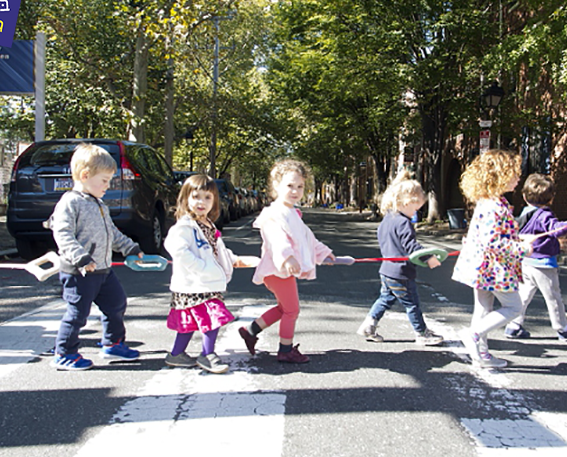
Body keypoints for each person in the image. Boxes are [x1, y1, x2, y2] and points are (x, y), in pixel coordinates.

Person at [49, 144, 143, 371]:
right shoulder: (70, 202)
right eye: (104, 180)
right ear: (85, 175)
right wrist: (80, 257)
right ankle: (65, 352)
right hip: (80, 272)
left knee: (116, 303)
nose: (108, 186)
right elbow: (62, 234)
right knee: (77, 314)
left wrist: (130, 248)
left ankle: (113, 343)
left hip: (103, 270)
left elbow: (111, 233)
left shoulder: (99, 204)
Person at [238, 159, 335, 364]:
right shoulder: (274, 214)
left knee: (284, 308)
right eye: (289, 185)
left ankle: (250, 331)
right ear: (276, 186)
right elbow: (276, 239)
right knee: (292, 310)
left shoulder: (292, 213)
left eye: (299, 186)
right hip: (277, 269)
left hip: (280, 270)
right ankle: (285, 349)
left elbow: (307, 239)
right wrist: (287, 258)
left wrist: (323, 253)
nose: (295, 191)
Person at [163, 174, 257, 374]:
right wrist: (201, 268)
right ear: (185, 198)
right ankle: (207, 354)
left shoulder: (208, 225)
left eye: (207, 197)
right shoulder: (184, 227)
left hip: (205, 283)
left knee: (189, 323)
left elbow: (216, 251)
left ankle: (176, 354)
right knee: (212, 317)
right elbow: (176, 249)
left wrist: (234, 260)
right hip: (194, 284)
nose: (201, 202)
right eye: (196, 196)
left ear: (214, 201)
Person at [453, 150, 532, 368]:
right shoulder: (494, 206)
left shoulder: (489, 202)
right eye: (514, 174)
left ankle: (482, 354)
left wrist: (518, 239)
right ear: (500, 176)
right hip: (493, 268)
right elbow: (493, 242)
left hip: (484, 267)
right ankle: (473, 335)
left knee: (483, 308)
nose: (518, 179)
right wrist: (522, 248)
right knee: (514, 307)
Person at [356, 171, 443, 346]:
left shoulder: (387, 220)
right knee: (412, 303)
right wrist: (430, 258)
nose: (416, 213)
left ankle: (369, 325)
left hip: (386, 270)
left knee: (385, 299)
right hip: (401, 272)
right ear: (406, 202)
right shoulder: (404, 223)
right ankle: (421, 333)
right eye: (416, 208)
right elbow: (411, 247)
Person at [504, 174, 567, 342]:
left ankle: (513, 325)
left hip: (525, 261)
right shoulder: (544, 214)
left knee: (523, 296)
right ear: (551, 199)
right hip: (543, 263)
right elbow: (555, 229)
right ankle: (562, 328)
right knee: (553, 297)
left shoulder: (524, 213)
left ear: (525, 197)